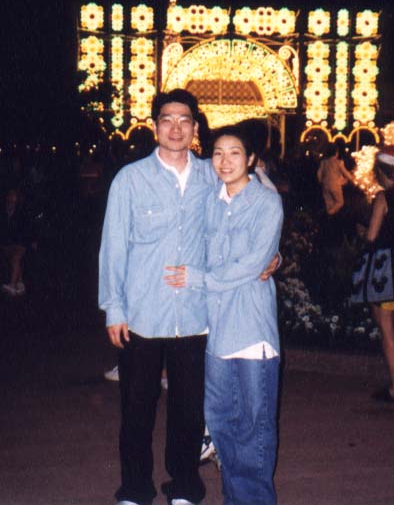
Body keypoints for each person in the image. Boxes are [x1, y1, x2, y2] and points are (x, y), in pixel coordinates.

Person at [99, 88, 216, 505]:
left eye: (184, 120)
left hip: (195, 315)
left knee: (188, 409)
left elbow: (248, 212)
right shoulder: (130, 179)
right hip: (142, 315)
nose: (176, 128)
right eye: (167, 119)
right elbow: (114, 246)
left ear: (195, 128)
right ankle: (135, 489)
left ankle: (184, 486)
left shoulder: (212, 176)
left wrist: (271, 256)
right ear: (154, 126)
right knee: (137, 409)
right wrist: (114, 308)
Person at [165, 125, 284, 505]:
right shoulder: (210, 202)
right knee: (220, 422)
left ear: (251, 159)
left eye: (235, 153)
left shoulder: (266, 203)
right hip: (216, 331)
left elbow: (252, 264)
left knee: (254, 428)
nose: (225, 161)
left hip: (251, 330)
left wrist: (198, 279)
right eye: (218, 153)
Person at [351, 145, 394, 402]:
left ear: (380, 171)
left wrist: (363, 232)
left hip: (385, 271)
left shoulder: (383, 198)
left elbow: (372, 236)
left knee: (386, 326)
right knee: (390, 322)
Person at [0, 187, 31, 296]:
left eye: (13, 197)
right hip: (8, 244)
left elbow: (25, 231)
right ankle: (20, 283)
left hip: (20, 244)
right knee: (13, 257)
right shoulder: (3, 213)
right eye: (10, 196)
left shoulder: (21, 213)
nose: (11, 199)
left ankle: (12, 285)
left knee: (16, 257)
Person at [316, 143, 354, 216]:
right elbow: (346, 173)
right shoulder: (339, 163)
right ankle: (329, 214)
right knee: (340, 202)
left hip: (325, 185)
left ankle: (330, 217)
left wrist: (320, 181)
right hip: (335, 185)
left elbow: (319, 173)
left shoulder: (323, 162)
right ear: (336, 153)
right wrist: (351, 178)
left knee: (329, 204)